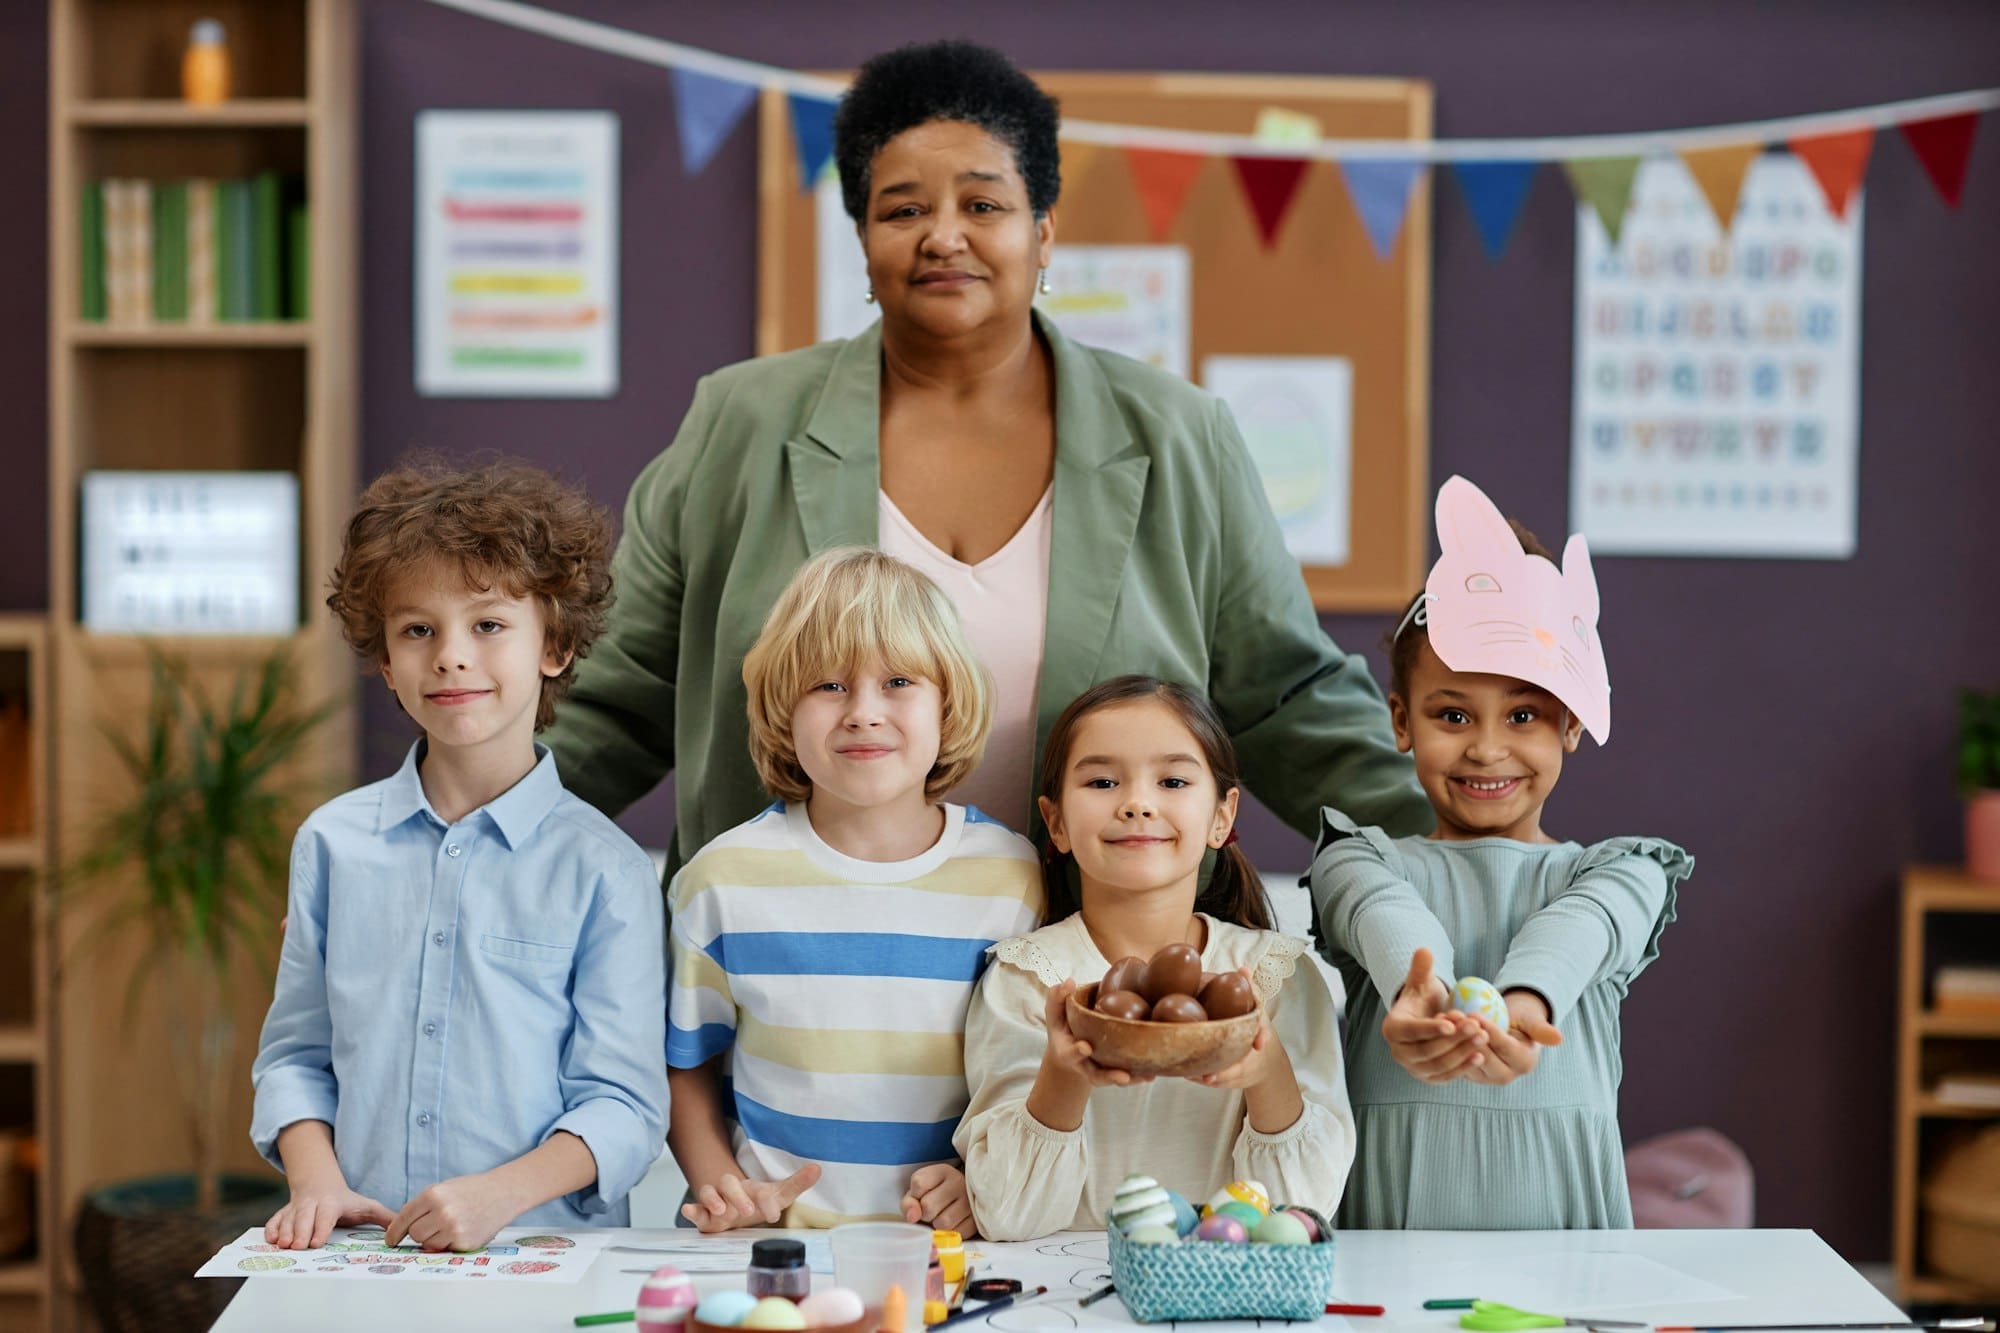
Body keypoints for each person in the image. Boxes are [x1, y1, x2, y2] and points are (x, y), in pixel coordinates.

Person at [542, 38, 1428, 872]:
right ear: (862, 238)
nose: (943, 235)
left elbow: (1288, 703)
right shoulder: (739, 421)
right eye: (903, 209)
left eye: (983, 204)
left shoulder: (1180, 433)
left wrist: (1471, 853)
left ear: (1044, 231)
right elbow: (620, 698)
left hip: (1092, 982)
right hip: (792, 980)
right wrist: (455, 837)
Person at [250, 458, 668, 1251]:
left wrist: (497, 1196)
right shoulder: (332, 845)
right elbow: (295, 1055)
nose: (450, 655)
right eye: (418, 629)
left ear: (555, 645)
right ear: (385, 661)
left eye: (488, 624)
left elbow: (625, 1106)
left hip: (540, 1257)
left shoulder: (606, 873)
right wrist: (316, 1180)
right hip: (363, 1258)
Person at [1309, 475, 1693, 1230]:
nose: (1487, 748)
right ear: (1401, 720)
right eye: (1452, 713)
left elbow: (1581, 927)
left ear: (1572, 723)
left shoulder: (1623, 870)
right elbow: (1383, 914)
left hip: (1566, 1246)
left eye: (1524, 713)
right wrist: (1426, 994)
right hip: (1393, 1238)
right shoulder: (1357, 859)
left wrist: (1522, 1009)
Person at [666, 547, 1042, 1233]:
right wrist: (720, 1181)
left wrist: (977, 1177)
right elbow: (685, 1063)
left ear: (947, 702)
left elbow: (1027, 1075)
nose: (863, 712)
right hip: (768, 1246)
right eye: (828, 686)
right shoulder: (722, 880)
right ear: (783, 707)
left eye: (898, 681)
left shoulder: (1014, 879)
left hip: (952, 1250)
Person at [956, 676, 1353, 1241]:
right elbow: (1011, 1217)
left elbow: (1304, 1213)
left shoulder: (1276, 976)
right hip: (1059, 1297)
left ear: (1222, 816)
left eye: (1171, 780)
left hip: (1231, 1296)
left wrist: (1265, 1073)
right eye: (1101, 780)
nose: (1137, 803)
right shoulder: (1028, 978)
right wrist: (1064, 1076)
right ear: (1057, 822)